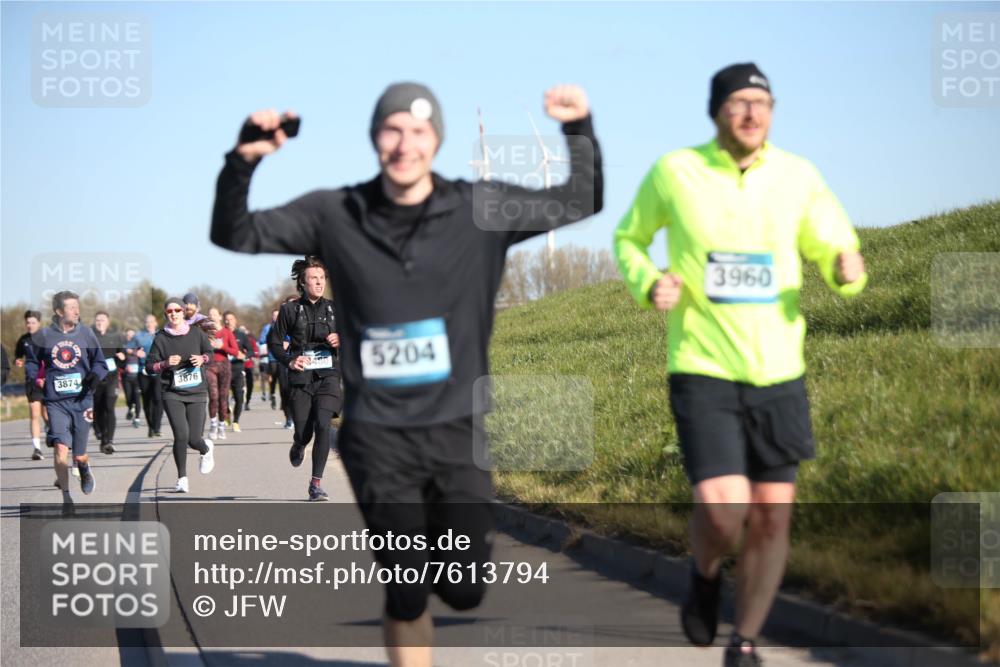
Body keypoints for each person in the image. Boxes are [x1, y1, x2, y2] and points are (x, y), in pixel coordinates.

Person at [212, 81, 602, 667]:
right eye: (392, 129)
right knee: (406, 585)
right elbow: (234, 232)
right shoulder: (337, 213)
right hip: (377, 438)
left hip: (457, 431)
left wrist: (579, 129)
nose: (404, 144)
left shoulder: (481, 208)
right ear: (375, 138)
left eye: (418, 131)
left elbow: (582, 198)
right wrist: (243, 160)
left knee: (465, 589)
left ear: (437, 140)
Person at [613, 63, 867, 667]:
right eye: (738, 103)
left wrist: (845, 268)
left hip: (780, 371)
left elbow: (835, 243)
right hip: (703, 367)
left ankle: (745, 640)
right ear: (716, 112)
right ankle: (704, 575)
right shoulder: (675, 171)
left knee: (773, 520)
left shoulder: (798, 176)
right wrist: (650, 282)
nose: (752, 113)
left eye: (762, 102)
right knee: (726, 512)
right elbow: (627, 238)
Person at [25, 291, 108, 508]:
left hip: (83, 400)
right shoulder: (44, 336)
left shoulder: (86, 334)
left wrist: (94, 376)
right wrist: (36, 378)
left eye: (77, 306)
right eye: (71, 307)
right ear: (59, 311)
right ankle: (66, 497)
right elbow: (32, 362)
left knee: (79, 454)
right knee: (60, 447)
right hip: (56, 402)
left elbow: (100, 363)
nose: (76, 311)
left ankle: (83, 466)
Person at [271, 256, 342, 501]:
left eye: (322, 278)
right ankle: (299, 443)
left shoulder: (335, 309)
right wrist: (290, 360)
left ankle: (315, 484)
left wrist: (340, 338)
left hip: (328, 376)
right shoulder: (289, 310)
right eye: (314, 278)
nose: (319, 282)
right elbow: (274, 343)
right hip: (301, 378)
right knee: (304, 432)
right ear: (302, 282)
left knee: (323, 424)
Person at [147, 298, 216, 493]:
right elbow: (149, 366)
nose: (174, 314)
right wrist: (165, 363)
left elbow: (210, 353)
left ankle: (205, 449)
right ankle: (182, 478)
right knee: (181, 435)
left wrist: (202, 359)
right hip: (172, 392)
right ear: (166, 315)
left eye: (177, 310)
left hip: (196, 391)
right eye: (170, 311)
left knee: (194, 439)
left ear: (184, 311)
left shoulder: (196, 333)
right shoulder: (161, 338)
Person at [14, 310, 49, 460]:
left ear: (39, 323)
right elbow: (18, 357)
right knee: (34, 414)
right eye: (28, 322)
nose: (30, 325)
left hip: (47, 379)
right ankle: (37, 449)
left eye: (33, 322)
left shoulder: (47, 337)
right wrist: (19, 362)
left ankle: (52, 431)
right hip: (31, 380)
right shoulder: (23, 340)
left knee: (47, 414)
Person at [91, 311, 124, 455]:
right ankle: (100, 433)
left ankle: (109, 440)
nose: (100, 322)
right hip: (96, 378)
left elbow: (123, 355)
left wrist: (122, 356)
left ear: (108, 322)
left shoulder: (115, 337)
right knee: (98, 409)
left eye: (102, 320)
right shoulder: (90, 337)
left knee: (109, 408)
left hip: (111, 377)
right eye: (97, 320)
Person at [203, 307, 238, 439]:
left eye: (214, 314)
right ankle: (213, 425)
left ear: (219, 316)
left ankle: (222, 425)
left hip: (224, 366)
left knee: (223, 398)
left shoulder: (227, 332)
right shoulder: (205, 333)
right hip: (210, 366)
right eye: (209, 314)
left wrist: (222, 346)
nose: (212, 316)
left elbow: (235, 351)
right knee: (213, 396)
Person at [267, 297, 298, 430]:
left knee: (297, 391)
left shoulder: (303, 321)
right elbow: (270, 343)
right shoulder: (275, 327)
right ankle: (289, 418)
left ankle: (299, 417)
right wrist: (279, 345)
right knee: (285, 390)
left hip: (301, 359)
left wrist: (290, 343)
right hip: (283, 361)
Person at [134, 314, 164, 438]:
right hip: (143, 371)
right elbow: (129, 349)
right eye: (147, 322)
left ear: (156, 323)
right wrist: (136, 352)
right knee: (147, 400)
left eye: (151, 321)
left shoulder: (161, 335)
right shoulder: (139, 336)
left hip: (158, 370)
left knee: (158, 398)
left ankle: (157, 427)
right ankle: (151, 426)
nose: (149, 324)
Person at [223, 311, 251, 431]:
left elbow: (250, 351)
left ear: (235, 321)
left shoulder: (241, 335)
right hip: (224, 369)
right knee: (223, 397)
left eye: (231, 319)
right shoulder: (220, 334)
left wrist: (243, 356)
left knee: (239, 397)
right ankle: (227, 413)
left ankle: (236, 422)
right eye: (226, 319)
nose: (229, 321)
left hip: (238, 369)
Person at [122, 327, 143, 428]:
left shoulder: (139, 347)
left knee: (137, 397)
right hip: (126, 376)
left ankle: (137, 418)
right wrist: (124, 367)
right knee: (128, 397)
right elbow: (119, 359)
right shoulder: (123, 347)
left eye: (132, 335)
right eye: (128, 335)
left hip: (137, 377)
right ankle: (131, 408)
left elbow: (144, 357)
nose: (130, 337)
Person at [259, 310, 279, 409]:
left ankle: (284, 401)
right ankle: (273, 394)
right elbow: (262, 340)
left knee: (284, 381)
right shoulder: (267, 328)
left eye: (277, 315)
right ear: (272, 317)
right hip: (272, 357)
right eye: (274, 315)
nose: (276, 317)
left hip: (284, 358)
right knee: (273, 378)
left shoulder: (285, 326)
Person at [241, 326, 258, 410]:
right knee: (239, 385)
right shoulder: (235, 339)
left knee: (250, 384)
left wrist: (250, 355)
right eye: (241, 331)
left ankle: (247, 402)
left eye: (244, 331)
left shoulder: (250, 340)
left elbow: (255, 351)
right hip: (239, 365)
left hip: (249, 365)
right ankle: (238, 399)